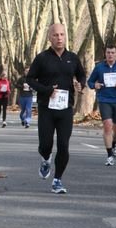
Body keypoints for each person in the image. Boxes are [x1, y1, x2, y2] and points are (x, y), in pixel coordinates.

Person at [26, 23, 86, 194]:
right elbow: (30, 79)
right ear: (49, 38)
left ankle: (57, 180)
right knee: (45, 144)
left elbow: (82, 75)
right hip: (46, 107)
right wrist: (46, 90)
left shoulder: (72, 58)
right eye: (55, 35)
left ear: (65, 36)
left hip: (66, 108)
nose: (59, 38)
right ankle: (45, 159)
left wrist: (79, 84)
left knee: (63, 145)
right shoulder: (42, 58)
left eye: (62, 35)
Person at [87, 42, 116, 166]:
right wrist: (95, 85)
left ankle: (114, 144)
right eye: (108, 53)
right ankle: (109, 154)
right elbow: (90, 82)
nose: (110, 55)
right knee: (107, 125)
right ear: (105, 54)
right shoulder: (99, 67)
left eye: (112, 53)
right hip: (104, 100)